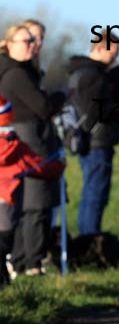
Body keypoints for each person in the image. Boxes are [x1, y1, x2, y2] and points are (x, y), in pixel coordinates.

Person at [0, 22, 65, 276]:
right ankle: (29, 262)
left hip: (25, 136)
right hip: (25, 135)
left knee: (22, 208)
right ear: (10, 45)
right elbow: (43, 107)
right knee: (33, 204)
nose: (34, 46)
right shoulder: (16, 74)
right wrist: (61, 97)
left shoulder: (23, 71)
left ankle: (20, 261)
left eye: (36, 41)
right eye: (28, 41)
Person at [67, 34, 119, 236]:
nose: (116, 58)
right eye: (113, 53)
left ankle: (89, 238)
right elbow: (95, 111)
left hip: (90, 140)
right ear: (100, 49)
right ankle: (89, 239)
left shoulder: (81, 73)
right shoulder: (93, 75)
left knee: (92, 193)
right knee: (95, 195)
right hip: (96, 141)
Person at [0, 96, 65, 285]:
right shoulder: (16, 147)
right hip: (8, 204)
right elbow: (38, 166)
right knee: (4, 245)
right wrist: (58, 166)